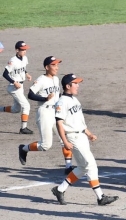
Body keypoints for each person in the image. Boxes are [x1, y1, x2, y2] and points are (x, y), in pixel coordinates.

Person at [50, 74, 118, 206]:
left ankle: (60, 189)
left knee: (82, 167)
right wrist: (65, 141)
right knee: (91, 165)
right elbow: (59, 123)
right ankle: (100, 197)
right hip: (73, 137)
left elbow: (79, 121)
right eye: (75, 83)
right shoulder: (62, 102)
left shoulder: (75, 100)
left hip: (81, 136)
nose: (78, 86)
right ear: (67, 86)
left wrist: (89, 133)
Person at [20, 57, 70, 171]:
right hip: (45, 113)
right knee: (46, 145)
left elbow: (58, 95)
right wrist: (44, 98)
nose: (57, 67)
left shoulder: (56, 79)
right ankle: (24, 149)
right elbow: (30, 94)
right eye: (54, 65)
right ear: (47, 67)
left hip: (56, 113)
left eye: (57, 65)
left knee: (65, 139)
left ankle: (68, 166)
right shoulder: (41, 80)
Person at [3, 41, 33, 134]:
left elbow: (23, 68)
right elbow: (5, 74)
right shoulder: (13, 61)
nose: (25, 51)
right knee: (26, 105)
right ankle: (23, 128)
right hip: (14, 87)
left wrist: (26, 74)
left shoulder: (25, 58)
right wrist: (14, 82)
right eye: (22, 50)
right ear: (17, 50)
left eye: (25, 49)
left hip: (20, 86)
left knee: (16, 109)